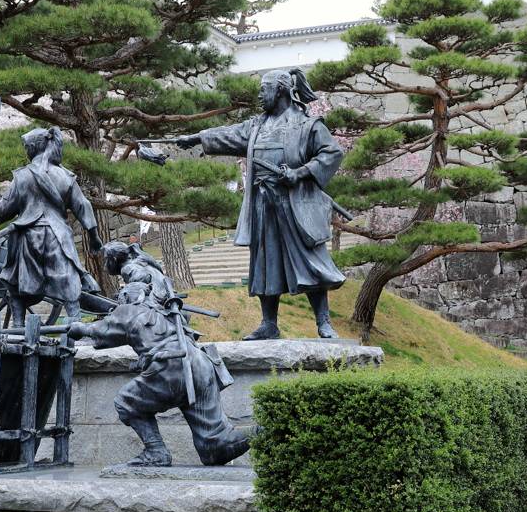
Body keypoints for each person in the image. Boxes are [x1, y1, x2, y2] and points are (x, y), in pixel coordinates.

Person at [170, 68, 346, 340]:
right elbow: (227, 135)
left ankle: (323, 322)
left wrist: (299, 173)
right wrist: (196, 137)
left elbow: (332, 152)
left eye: (264, 89)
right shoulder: (256, 126)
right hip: (263, 203)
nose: (259, 95)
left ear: (280, 90)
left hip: (293, 203)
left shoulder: (307, 125)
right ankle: (269, 323)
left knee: (310, 260)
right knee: (265, 261)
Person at [68, 282, 249, 467]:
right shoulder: (168, 312)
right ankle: (261, 432)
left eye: (121, 296)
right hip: (202, 364)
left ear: (128, 296)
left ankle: (156, 452)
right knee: (213, 448)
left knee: (126, 402)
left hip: (172, 365)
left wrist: (78, 328)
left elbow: (101, 331)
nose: (119, 301)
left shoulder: (129, 310)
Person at [0, 126, 104, 325]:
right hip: (57, 234)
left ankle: (18, 326)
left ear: (33, 148)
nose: (25, 150)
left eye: (26, 147)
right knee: (65, 277)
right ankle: (75, 324)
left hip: (28, 235)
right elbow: (82, 205)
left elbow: (3, 211)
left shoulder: (22, 176)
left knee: (19, 280)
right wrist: (93, 235)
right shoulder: (65, 176)